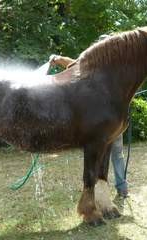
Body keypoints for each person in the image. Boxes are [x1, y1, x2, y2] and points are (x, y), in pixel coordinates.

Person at [48, 55, 129, 198]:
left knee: (106, 154)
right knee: (116, 154)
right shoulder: (117, 70)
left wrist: (58, 58)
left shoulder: (96, 67)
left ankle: (102, 191)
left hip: (104, 122)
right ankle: (119, 189)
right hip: (111, 120)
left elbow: (75, 65)